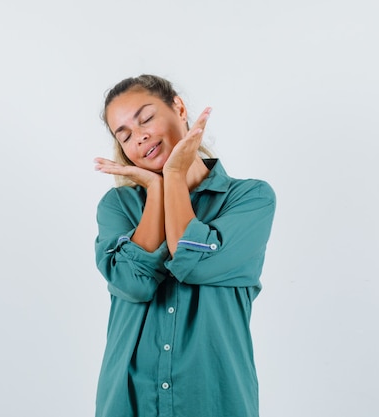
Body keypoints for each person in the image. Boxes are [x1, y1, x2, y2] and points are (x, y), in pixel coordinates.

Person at [93, 74, 276, 417]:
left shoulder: (250, 198)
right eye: (126, 135)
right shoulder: (118, 207)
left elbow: (193, 262)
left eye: (145, 119)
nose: (140, 136)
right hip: (128, 401)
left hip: (214, 400)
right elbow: (133, 283)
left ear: (178, 107)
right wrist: (155, 192)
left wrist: (173, 177)